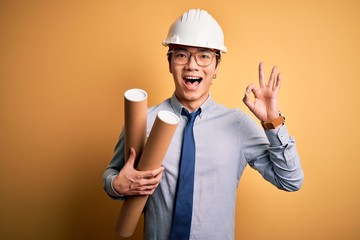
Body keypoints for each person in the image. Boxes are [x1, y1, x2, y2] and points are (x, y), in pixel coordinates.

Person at [103, 8, 304, 240]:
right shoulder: (143, 120)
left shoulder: (237, 125)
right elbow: (113, 173)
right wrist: (116, 185)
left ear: (217, 67)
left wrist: (273, 121)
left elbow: (290, 181)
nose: (192, 65)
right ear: (170, 63)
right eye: (181, 55)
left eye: (204, 55)